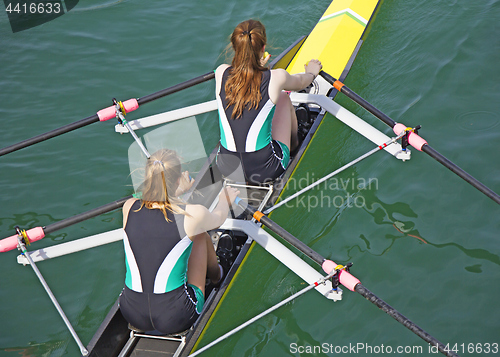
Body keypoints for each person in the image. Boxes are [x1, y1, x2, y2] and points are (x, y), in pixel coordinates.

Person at [119, 149, 239, 334]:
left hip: (130, 312)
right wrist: (225, 199)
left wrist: (176, 191)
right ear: (176, 180)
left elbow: (158, 216)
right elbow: (219, 218)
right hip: (175, 317)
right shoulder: (192, 215)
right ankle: (217, 275)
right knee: (199, 235)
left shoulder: (129, 207)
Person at [215, 19, 322, 184]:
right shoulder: (276, 77)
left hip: (226, 168)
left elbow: (245, 81)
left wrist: (258, 67)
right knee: (283, 98)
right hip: (265, 170)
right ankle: (294, 144)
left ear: (235, 47)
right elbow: (301, 82)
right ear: (263, 48)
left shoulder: (220, 73)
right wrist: (312, 73)